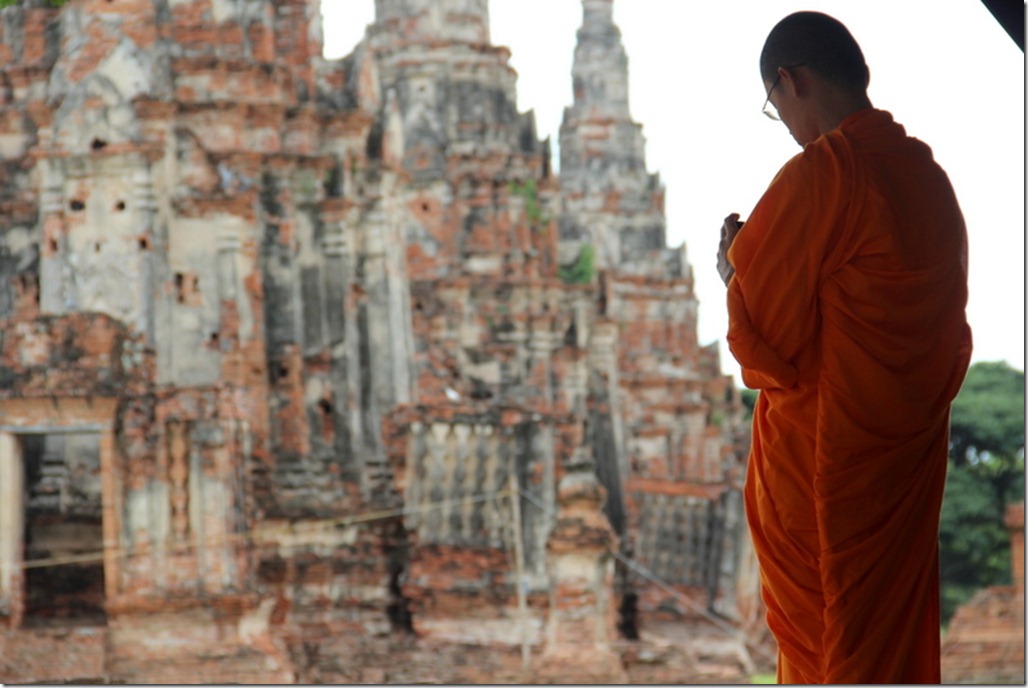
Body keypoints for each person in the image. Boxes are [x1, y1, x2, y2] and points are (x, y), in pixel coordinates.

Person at [717, 11, 972, 684]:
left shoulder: (823, 175)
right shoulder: (931, 182)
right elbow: (948, 343)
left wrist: (731, 275)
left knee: (829, 654)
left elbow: (768, 349)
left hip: (824, 475)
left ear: (789, 80)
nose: (790, 128)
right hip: (901, 475)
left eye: (777, 109)